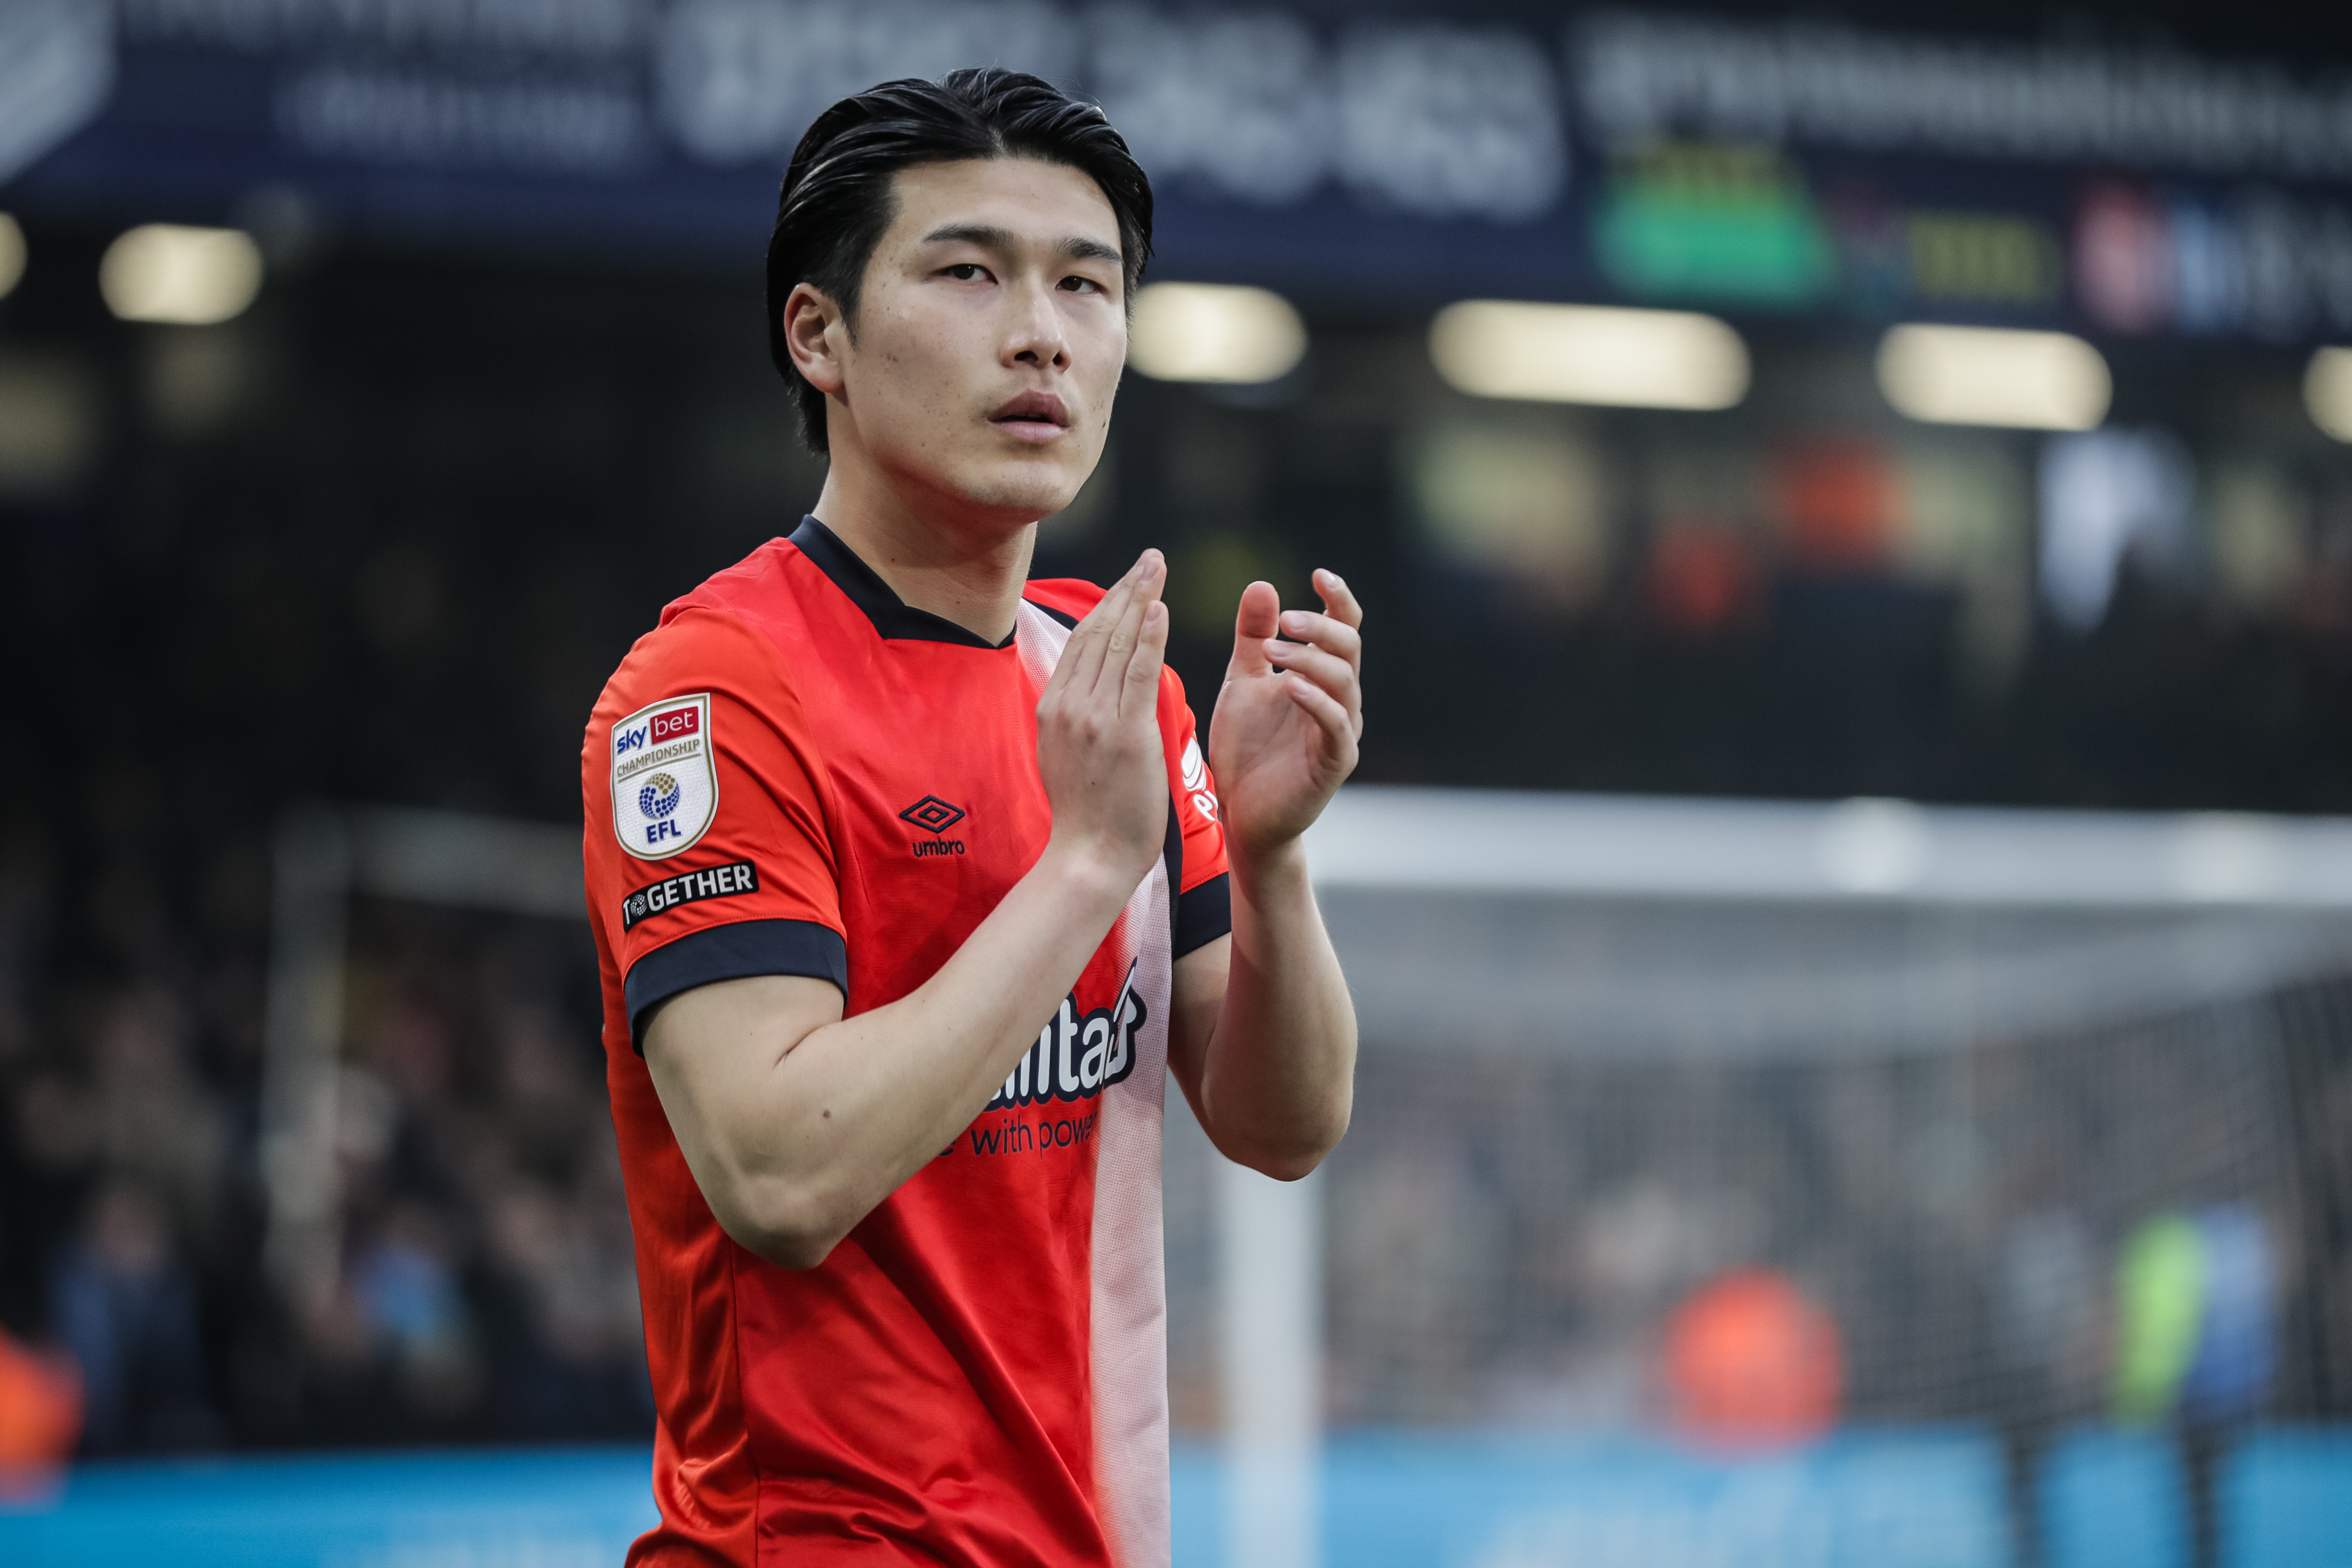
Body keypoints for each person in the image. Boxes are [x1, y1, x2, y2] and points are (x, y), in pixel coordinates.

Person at [578, 68, 1363, 1566]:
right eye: (966, 272)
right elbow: (779, 1173)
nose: (1040, 333)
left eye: (1087, 285)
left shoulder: (1108, 680)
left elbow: (1283, 1125)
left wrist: (1270, 859)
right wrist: (1083, 864)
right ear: (819, 337)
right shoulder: (711, 693)